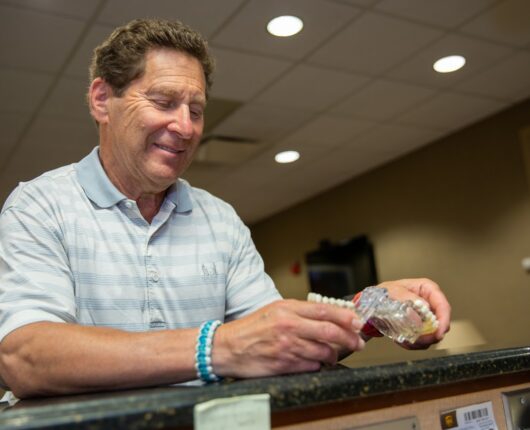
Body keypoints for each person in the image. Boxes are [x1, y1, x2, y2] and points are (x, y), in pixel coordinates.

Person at [0, 18, 451, 399]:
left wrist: (373, 312)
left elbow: (282, 344)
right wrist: (218, 347)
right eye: (163, 102)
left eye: (196, 110)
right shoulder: (39, 206)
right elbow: (26, 355)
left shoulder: (220, 221)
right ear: (102, 99)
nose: (185, 126)